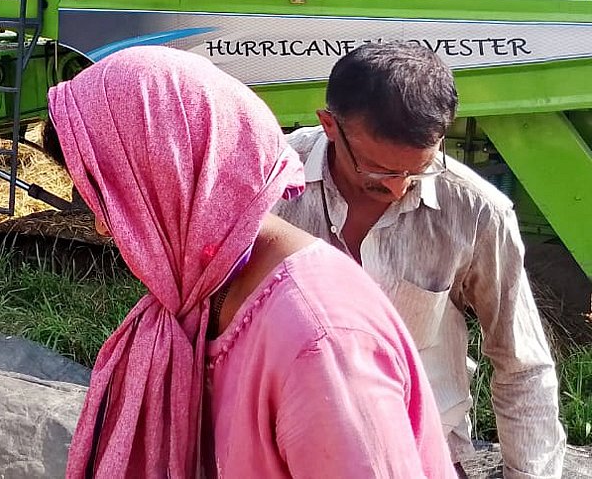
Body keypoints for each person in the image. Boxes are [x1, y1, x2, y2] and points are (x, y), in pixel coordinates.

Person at [45, 46, 454, 479]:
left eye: (109, 199)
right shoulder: (203, 299)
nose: (103, 227)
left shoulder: (320, 340)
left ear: (173, 179)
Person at [273, 42, 565, 479]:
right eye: (379, 171)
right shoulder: (270, 182)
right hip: (285, 454)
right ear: (329, 125)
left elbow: (522, 365)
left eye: (417, 170)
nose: (397, 188)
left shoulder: (475, 212)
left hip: (423, 456)